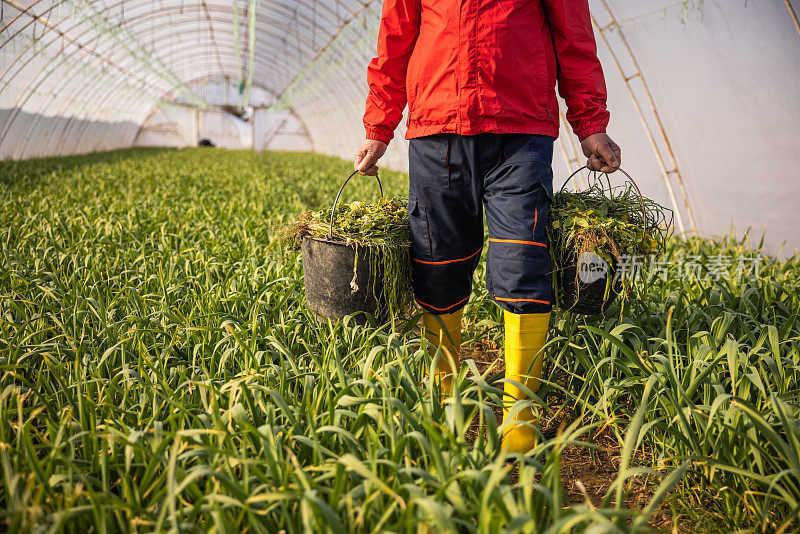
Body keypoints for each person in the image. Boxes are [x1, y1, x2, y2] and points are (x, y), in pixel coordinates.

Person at [354, 0, 621, 454]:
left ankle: (521, 419)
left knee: (524, 265)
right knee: (438, 267)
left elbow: (574, 38)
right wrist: (379, 126)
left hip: (520, 132)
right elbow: (394, 40)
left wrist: (590, 122)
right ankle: (444, 402)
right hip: (437, 129)